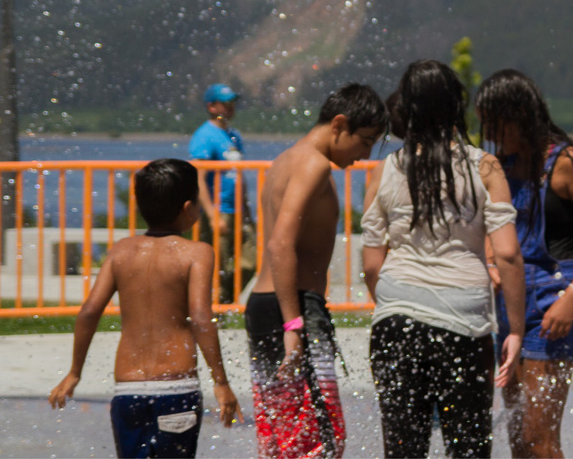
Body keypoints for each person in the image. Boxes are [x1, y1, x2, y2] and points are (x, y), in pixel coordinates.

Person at [359, 59, 526, 458]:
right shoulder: (484, 166)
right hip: (464, 323)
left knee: (403, 448)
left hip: (396, 321)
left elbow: (370, 264)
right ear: (456, 106)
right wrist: (514, 328)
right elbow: (506, 253)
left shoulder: (384, 170)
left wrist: (393, 305)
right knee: (468, 447)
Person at [48, 158, 240, 458]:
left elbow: (88, 312)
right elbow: (202, 318)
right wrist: (222, 382)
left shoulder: (121, 251)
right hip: (177, 388)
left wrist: (75, 372)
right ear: (189, 208)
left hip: (129, 392)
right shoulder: (197, 253)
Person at [475, 69, 573, 459]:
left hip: (554, 300)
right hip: (510, 303)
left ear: (520, 114)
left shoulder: (566, 162)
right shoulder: (498, 165)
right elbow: (495, 229)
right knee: (519, 441)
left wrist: (572, 296)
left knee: (541, 438)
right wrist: (490, 260)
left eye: (495, 123)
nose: (490, 133)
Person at [245, 83, 387, 458]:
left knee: (283, 442)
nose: (365, 154)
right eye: (366, 141)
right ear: (339, 124)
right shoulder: (313, 164)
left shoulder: (285, 160)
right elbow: (280, 243)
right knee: (317, 443)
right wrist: (293, 327)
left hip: (267, 306)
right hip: (291, 309)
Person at [189, 83, 255, 303]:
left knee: (252, 260)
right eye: (224, 103)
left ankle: (223, 303)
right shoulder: (204, 135)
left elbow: (239, 176)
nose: (230, 107)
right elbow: (198, 178)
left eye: (232, 103)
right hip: (219, 209)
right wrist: (212, 214)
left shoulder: (233, 135)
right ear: (211, 106)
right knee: (220, 265)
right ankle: (214, 311)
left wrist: (247, 212)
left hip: (237, 209)